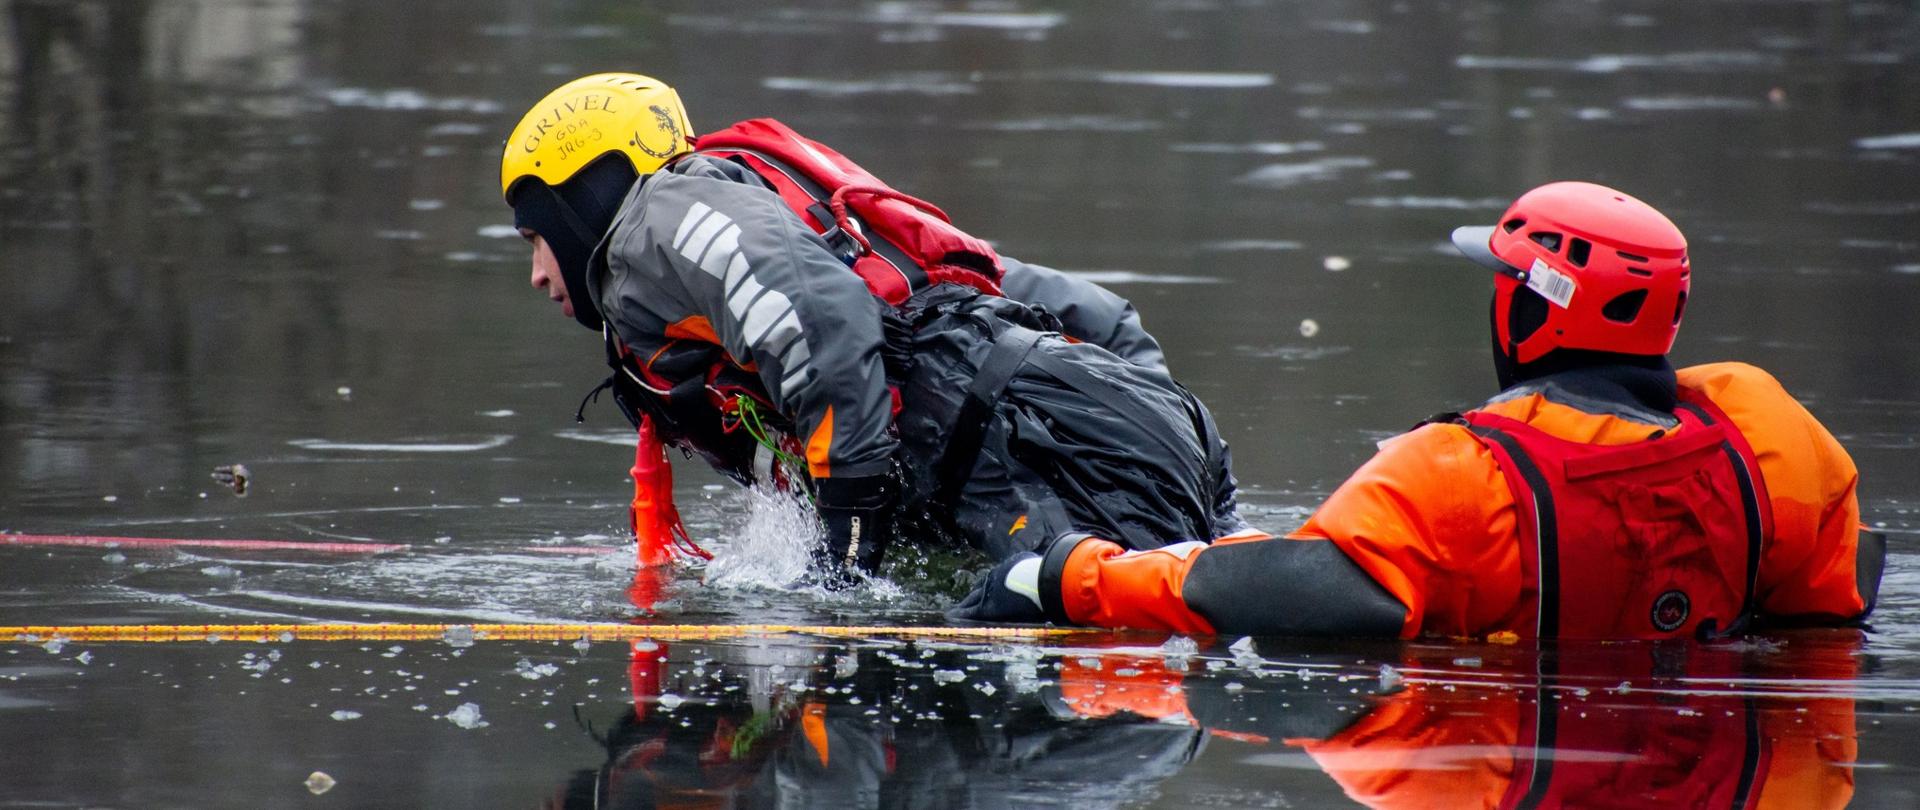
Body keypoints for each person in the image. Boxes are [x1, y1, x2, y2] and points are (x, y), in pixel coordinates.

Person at [953, 180, 1887, 640]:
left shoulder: (1463, 474)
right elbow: (1842, 594)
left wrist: (1067, 578)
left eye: (1506, 282)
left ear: (1533, 310)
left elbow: (1304, 589)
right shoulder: (1764, 432)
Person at [499, 73, 1244, 583]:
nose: (536, 273)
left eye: (536, 238)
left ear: (580, 198)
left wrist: (845, 554)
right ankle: (1235, 556)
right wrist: (1188, 462)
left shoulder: (652, 224)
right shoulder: (771, 209)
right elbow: (1096, 316)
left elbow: (822, 319)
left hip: (1034, 452)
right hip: (1119, 427)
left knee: (1070, 606)